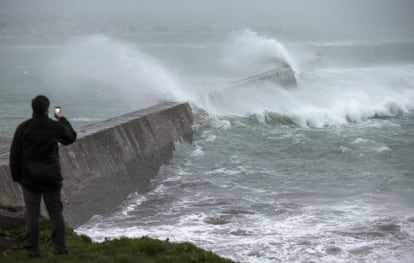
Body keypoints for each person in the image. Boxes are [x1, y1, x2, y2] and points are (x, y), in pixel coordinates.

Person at [9, 95, 77, 258]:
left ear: (33, 108)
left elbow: (15, 155)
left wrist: (16, 176)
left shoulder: (23, 127)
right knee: (55, 214)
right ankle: (60, 249)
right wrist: (62, 119)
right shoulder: (53, 126)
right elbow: (70, 137)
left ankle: (33, 250)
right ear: (47, 109)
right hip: (51, 178)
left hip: (30, 179)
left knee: (32, 215)